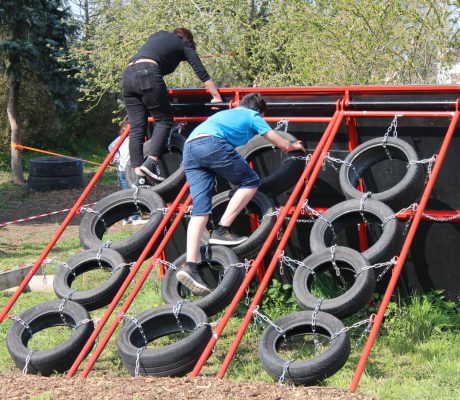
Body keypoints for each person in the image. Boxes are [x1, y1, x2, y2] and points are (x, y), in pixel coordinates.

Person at [176, 93, 305, 295]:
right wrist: (292, 146)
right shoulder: (252, 115)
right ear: (260, 111)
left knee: (200, 209)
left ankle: (190, 265)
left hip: (190, 148)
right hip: (211, 144)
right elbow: (279, 142)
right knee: (250, 181)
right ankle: (221, 230)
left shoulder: (227, 114)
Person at [121, 28, 222, 187]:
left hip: (127, 75)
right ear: (188, 40)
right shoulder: (184, 44)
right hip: (148, 73)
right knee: (164, 120)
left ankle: (138, 176)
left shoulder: (158, 34)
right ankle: (151, 162)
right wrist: (216, 96)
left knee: (137, 127)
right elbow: (200, 71)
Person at [108, 119, 147, 226]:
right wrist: (117, 158)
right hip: (129, 171)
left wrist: (117, 158)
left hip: (122, 169)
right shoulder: (134, 140)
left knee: (126, 194)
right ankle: (134, 218)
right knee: (135, 194)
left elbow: (111, 147)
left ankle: (126, 218)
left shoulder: (119, 139)